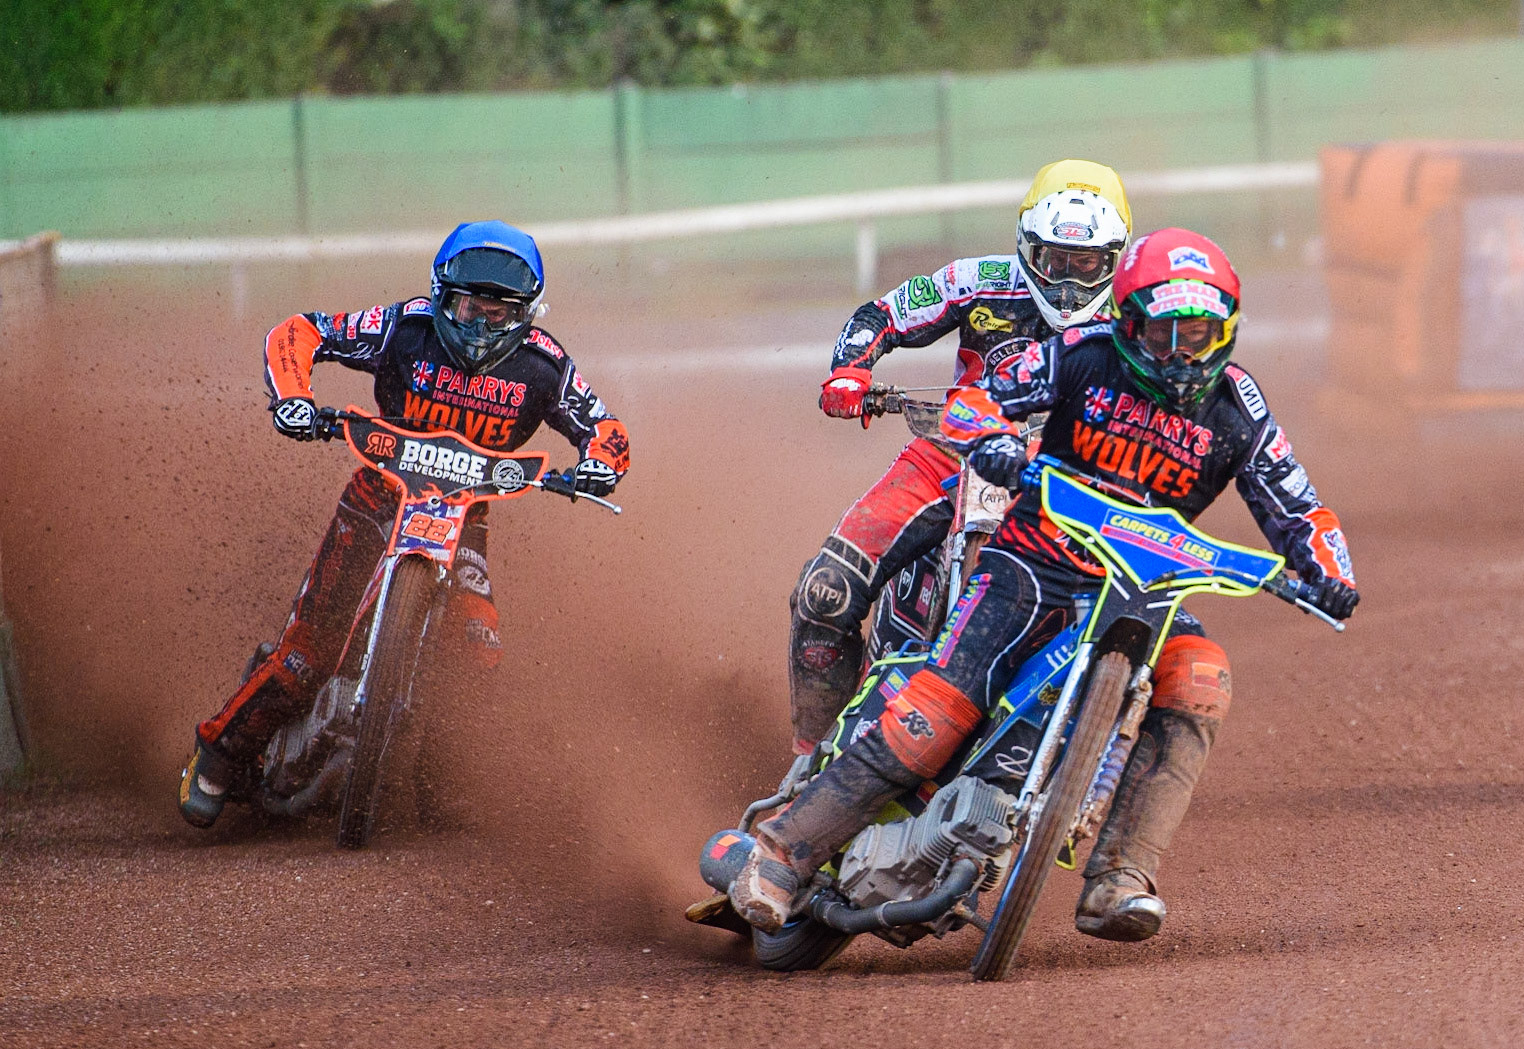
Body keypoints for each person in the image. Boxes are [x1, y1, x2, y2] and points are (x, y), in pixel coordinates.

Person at [732, 228, 1358, 940]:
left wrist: (1327, 569)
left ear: (1229, 330)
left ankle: (1121, 876)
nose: (1181, 352)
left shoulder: (1238, 406)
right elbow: (981, 398)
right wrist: (992, 437)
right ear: (1128, 324)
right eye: (1163, 332)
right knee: (938, 707)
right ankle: (782, 854)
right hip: (1034, 561)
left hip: (1142, 585)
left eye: (1200, 334)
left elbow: (1299, 507)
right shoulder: (1081, 354)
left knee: (1202, 679)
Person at [177, 220, 631, 828]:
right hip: (375, 499)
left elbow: (607, 430)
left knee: (479, 652)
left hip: (464, 517)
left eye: (497, 315)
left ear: (525, 314)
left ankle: (440, 777)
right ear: (442, 295)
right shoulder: (403, 328)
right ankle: (220, 752)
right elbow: (302, 331)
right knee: (305, 659)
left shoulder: (545, 368)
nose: (478, 326)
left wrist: (596, 467)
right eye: (468, 307)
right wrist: (294, 398)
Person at [789, 159, 1133, 756]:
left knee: (1126, 625)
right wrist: (849, 369)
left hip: (1071, 477)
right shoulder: (977, 280)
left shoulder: (1139, 319)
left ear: (1115, 260)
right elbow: (884, 314)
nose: (1070, 285)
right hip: (950, 453)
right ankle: (807, 757)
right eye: (1056, 263)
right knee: (826, 590)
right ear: (1028, 249)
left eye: (1087, 265)